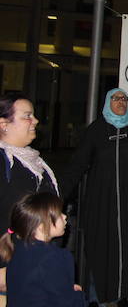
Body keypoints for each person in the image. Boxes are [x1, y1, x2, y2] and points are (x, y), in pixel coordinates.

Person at [60, 88, 128, 307]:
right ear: (107, 102)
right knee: (99, 247)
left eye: (124, 98)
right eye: (116, 98)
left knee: (127, 248)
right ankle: (96, 296)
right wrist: (60, 194)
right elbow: (78, 164)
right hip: (100, 200)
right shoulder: (96, 129)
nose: (121, 102)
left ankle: (123, 294)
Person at [0, 93, 59, 298]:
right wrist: (1, 266)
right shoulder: (4, 162)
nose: (35, 121)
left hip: (36, 262)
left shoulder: (32, 161)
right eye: (27, 116)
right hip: (13, 264)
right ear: (4, 124)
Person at [0, 192, 84, 306]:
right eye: (59, 214)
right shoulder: (56, 257)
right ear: (41, 226)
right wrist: (77, 294)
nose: (65, 217)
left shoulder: (16, 250)